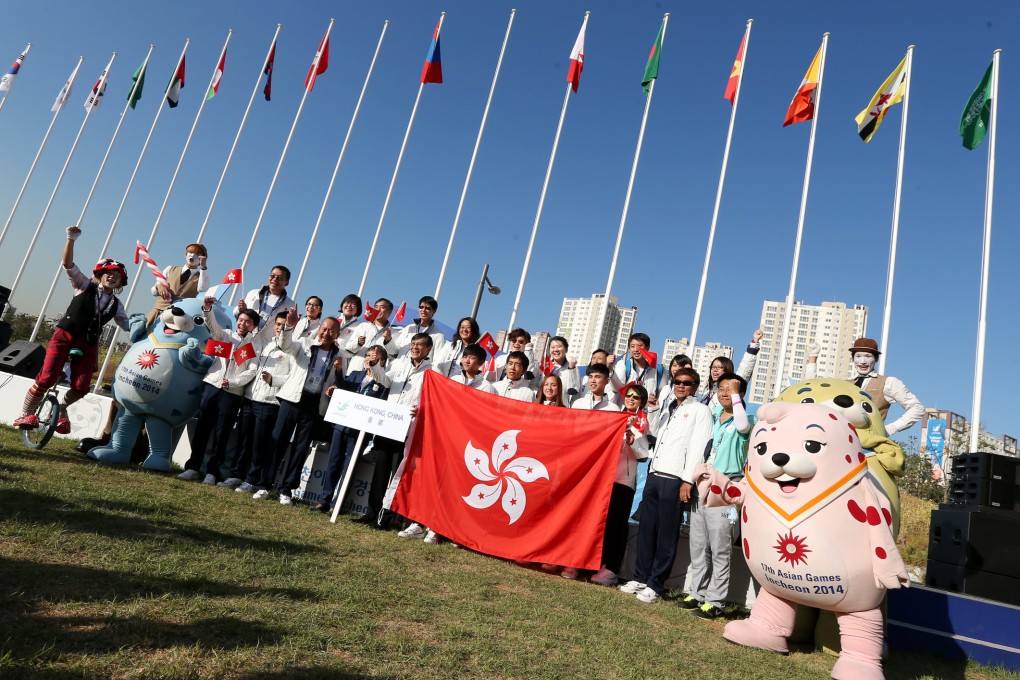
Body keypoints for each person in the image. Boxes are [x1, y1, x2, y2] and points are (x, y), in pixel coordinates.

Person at [15, 226, 130, 434]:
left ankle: (62, 410)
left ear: (121, 282)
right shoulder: (84, 285)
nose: (112, 277)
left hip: (88, 343)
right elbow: (67, 264)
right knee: (47, 378)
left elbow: (128, 326)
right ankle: (25, 413)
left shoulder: (117, 305)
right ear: (101, 274)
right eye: (109, 274)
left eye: (117, 276)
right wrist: (71, 239)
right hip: (65, 336)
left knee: (81, 386)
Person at [619, 367, 713, 604]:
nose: (681, 386)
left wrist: (686, 481)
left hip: (675, 479)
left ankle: (656, 584)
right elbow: (655, 440)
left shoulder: (700, 411)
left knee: (666, 534)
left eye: (687, 383)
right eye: (677, 381)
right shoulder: (669, 408)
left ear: (695, 386)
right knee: (647, 530)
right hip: (655, 474)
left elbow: (698, 447)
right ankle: (640, 577)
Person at [681, 372, 755, 619]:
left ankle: (716, 601)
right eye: (721, 388)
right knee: (699, 544)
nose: (724, 392)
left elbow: (743, 426)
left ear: (741, 394)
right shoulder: (712, 416)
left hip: (727, 489)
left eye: (731, 389)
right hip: (702, 484)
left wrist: (736, 396)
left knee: (721, 547)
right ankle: (696, 593)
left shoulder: (746, 419)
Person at [253, 314, 340, 505]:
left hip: (314, 403)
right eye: (324, 329)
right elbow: (286, 345)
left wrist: (337, 378)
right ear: (319, 329)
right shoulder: (305, 344)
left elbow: (337, 381)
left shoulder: (339, 356)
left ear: (337, 334)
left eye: (331, 331)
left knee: (300, 449)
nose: (326, 333)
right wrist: (288, 327)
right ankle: (264, 485)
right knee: (278, 442)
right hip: (292, 399)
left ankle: (286, 489)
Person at [177, 303, 260, 484]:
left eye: (248, 322)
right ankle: (192, 467)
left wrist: (232, 382)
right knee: (202, 429)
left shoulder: (254, 346)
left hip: (232, 393)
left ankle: (212, 471)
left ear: (254, 326)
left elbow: (252, 371)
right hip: (212, 386)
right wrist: (208, 310)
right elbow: (213, 327)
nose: (243, 324)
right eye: (241, 320)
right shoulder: (226, 335)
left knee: (222, 433)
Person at [359, 333, 433, 532]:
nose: (415, 347)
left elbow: (430, 401)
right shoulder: (399, 363)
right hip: (388, 425)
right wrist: (375, 367)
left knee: (395, 475)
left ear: (428, 349)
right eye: (413, 344)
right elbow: (385, 381)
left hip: (407, 429)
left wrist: (421, 409)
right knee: (380, 471)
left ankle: (386, 518)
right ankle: (371, 512)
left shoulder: (431, 373)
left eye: (420, 345)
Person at [586, 384, 650, 586]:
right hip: (604, 479)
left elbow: (643, 455)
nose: (631, 399)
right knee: (596, 523)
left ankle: (611, 568)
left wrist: (632, 439)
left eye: (636, 397)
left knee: (615, 526)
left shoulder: (642, 424)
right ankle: (589, 562)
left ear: (642, 402)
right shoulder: (614, 415)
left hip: (624, 482)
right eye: (629, 395)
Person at [220, 311, 292, 491]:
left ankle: (251, 480)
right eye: (278, 324)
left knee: (258, 444)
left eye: (284, 325)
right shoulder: (264, 344)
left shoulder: (292, 350)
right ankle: (236, 475)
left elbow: (291, 378)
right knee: (244, 440)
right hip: (250, 398)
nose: (280, 328)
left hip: (268, 403)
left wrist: (273, 380)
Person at [316, 344, 390, 513]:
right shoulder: (356, 375)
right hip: (341, 425)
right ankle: (323, 499)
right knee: (333, 462)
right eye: (367, 356)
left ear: (382, 361)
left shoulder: (384, 381)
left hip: (360, 431)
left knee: (349, 467)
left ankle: (337, 503)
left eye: (374, 357)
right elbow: (343, 385)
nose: (369, 359)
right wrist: (338, 373)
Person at [804, 337, 923, 436]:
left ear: (876, 359)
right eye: (858, 356)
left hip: (869, 445)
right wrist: (813, 358)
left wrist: (890, 428)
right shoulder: (844, 384)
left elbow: (917, 408)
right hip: (841, 439)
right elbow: (813, 390)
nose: (863, 361)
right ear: (853, 359)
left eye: (868, 356)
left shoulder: (889, 382)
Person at [145, 242, 209, 326]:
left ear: (202, 259)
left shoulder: (201, 276)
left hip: (179, 317)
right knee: (143, 332)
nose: (192, 256)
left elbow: (202, 289)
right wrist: (159, 287)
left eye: (197, 254)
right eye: (190, 253)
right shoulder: (170, 269)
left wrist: (203, 268)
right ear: (185, 255)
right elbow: (153, 291)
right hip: (158, 311)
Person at [699, 329, 762, 408]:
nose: (715, 370)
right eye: (713, 367)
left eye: (719, 367)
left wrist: (754, 343)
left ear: (727, 369)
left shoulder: (733, 386)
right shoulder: (707, 392)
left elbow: (745, 368)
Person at [235, 265, 296, 341]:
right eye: (272, 276)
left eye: (280, 278)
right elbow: (236, 314)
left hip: (266, 344)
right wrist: (241, 310)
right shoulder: (253, 293)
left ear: (287, 282)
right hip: (244, 340)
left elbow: (287, 329)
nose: (275, 279)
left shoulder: (290, 305)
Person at [346, 298, 397, 377]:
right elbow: (349, 348)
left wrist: (388, 340)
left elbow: (394, 354)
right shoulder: (363, 326)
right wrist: (358, 343)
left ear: (389, 311)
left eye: (382, 307)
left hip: (374, 376)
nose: (378, 310)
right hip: (355, 371)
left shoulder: (394, 333)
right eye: (376, 307)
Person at [610, 332, 659, 407]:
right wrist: (610, 369)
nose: (636, 350)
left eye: (640, 346)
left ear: (647, 348)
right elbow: (617, 388)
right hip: (625, 412)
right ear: (629, 349)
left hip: (644, 415)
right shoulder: (623, 365)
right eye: (632, 346)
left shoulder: (655, 370)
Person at [394, 295, 447, 360]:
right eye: (421, 307)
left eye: (427, 308)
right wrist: (388, 340)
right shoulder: (409, 328)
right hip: (400, 367)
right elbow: (395, 351)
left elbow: (438, 360)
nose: (423, 310)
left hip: (421, 369)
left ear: (434, 311)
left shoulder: (438, 335)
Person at [538, 336, 580, 404]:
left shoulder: (573, 368)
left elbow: (573, 390)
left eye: (559, 346)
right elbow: (535, 385)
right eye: (553, 347)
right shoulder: (544, 366)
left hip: (561, 407)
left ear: (566, 349)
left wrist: (571, 369)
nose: (556, 350)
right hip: (543, 405)